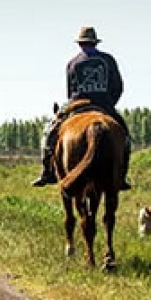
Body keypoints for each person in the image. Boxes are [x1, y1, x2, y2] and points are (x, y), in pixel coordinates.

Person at [32, 26, 132, 189]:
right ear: (95, 43)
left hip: (78, 103)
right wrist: (109, 103)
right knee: (125, 137)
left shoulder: (72, 63)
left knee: (50, 132)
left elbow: (70, 91)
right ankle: (121, 175)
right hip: (104, 104)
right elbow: (118, 86)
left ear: (80, 44)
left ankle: (47, 171)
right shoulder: (108, 60)